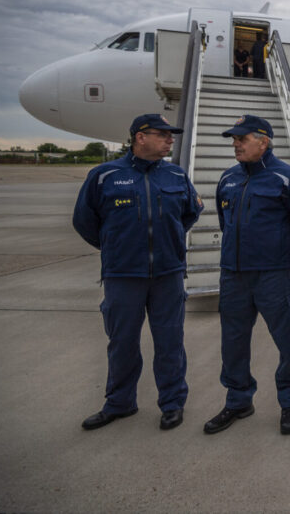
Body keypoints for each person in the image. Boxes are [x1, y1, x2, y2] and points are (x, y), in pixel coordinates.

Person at [72, 114, 203, 431]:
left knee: (170, 343)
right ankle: (119, 403)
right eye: (163, 134)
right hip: (123, 276)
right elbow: (84, 222)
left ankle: (172, 404)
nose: (170, 139)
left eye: (171, 135)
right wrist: (117, 247)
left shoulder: (176, 175)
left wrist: (165, 245)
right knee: (122, 342)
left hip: (167, 275)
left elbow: (189, 214)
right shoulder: (104, 175)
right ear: (140, 137)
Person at [203, 115, 290, 436]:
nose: (236, 144)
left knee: (288, 341)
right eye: (234, 139)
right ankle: (239, 400)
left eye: (242, 138)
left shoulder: (286, 179)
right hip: (234, 275)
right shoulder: (227, 179)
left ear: (263, 142)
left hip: (275, 275)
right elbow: (228, 225)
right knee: (233, 342)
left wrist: (281, 255)